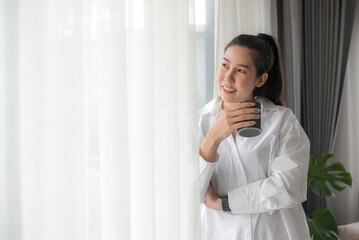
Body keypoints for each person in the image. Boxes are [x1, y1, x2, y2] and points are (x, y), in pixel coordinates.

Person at [199, 33, 311, 240]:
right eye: (225, 65)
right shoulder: (200, 123)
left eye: (240, 70)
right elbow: (190, 194)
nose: (228, 77)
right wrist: (213, 138)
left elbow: (288, 187)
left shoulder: (282, 121)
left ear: (260, 79)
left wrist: (224, 202)